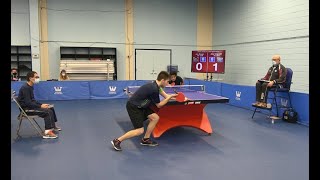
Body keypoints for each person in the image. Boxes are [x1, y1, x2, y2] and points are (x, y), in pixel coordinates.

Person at [111, 71, 178, 151]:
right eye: (167, 81)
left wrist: (177, 97)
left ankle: (145, 139)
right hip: (134, 106)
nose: (168, 84)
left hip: (142, 105)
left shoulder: (156, 85)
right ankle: (117, 141)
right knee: (139, 131)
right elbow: (159, 105)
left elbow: (167, 96)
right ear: (163, 80)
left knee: (155, 118)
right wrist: (169, 98)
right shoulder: (154, 89)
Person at [17, 71, 62, 139]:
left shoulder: (30, 86)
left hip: (30, 106)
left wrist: (41, 104)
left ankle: (53, 126)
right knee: (48, 112)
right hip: (26, 110)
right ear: (30, 78)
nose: (37, 78)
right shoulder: (25, 88)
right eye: (36, 77)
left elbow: (33, 100)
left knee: (50, 108)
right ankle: (47, 132)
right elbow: (28, 103)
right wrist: (40, 106)